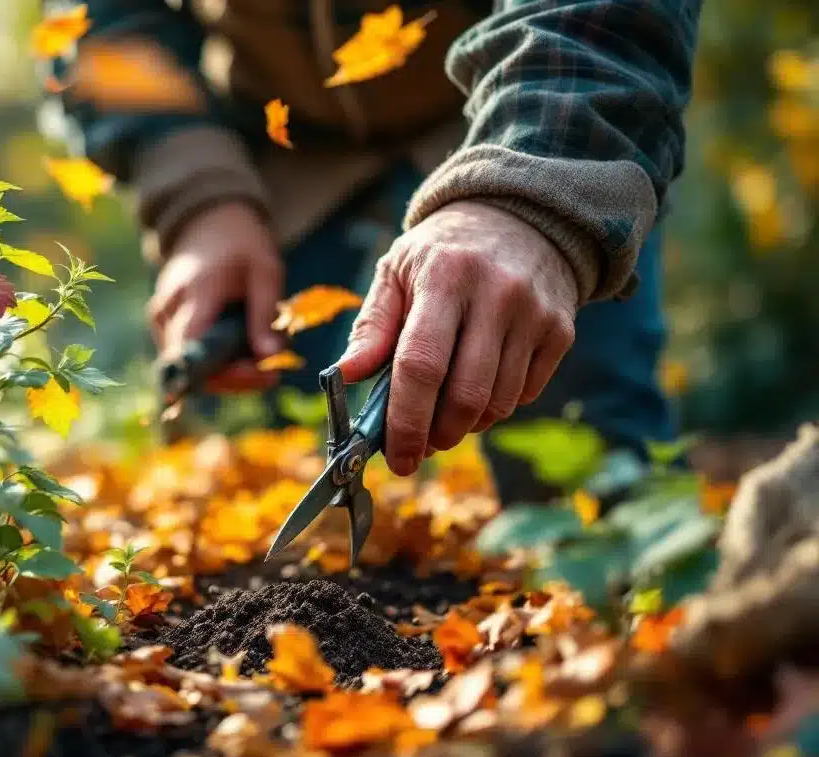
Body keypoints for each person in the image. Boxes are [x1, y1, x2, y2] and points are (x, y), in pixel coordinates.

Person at [48, 0, 702, 503]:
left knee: (584, 434)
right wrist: (197, 192)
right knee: (235, 450)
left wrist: (536, 183)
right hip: (272, 139)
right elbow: (100, 15)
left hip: (510, 105)